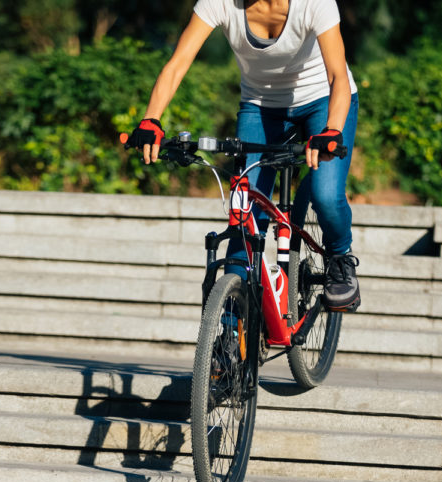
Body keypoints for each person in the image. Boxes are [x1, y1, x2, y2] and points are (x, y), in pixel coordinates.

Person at [124, 0, 360, 312]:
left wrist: (331, 130)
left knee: (326, 195)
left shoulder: (313, 3)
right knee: (244, 215)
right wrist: (151, 119)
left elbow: (337, 77)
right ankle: (230, 334)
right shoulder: (219, 3)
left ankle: (341, 257)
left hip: (322, 101)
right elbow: (178, 63)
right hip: (260, 106)